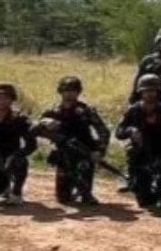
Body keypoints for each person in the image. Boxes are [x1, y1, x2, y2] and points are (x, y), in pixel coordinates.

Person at [32, 76, 110, 205]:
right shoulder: (53, 110)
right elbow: (33, 129)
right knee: (63, 199)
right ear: (60, 92)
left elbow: (103, 131)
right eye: (66, 90)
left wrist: (99, 151)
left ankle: (85, 191)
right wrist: (44, 122)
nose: (69, 94)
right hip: (63, 152)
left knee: (85, 188)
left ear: (78, 92)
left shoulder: (86, 111)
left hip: (84, 151)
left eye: (73, 90)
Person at [117, 74, 161, 209]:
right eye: (146, 91)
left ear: (158, 92)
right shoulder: (133, 110)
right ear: (141, 92)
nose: (150, 94)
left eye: (153, 91)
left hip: (159, 154)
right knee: (144, 201)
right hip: (140, 156)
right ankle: (133, 179)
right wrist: (131, 130)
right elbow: (119, 132)